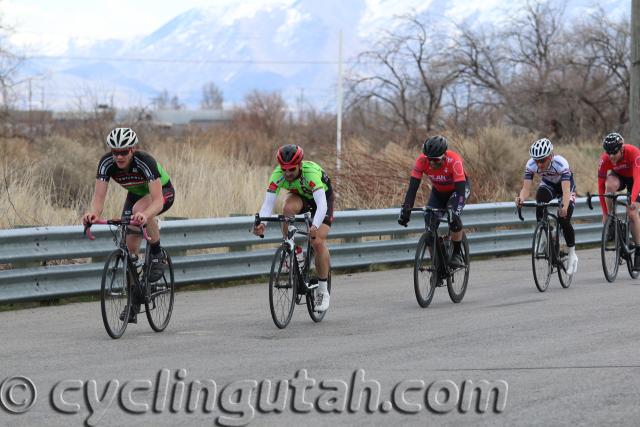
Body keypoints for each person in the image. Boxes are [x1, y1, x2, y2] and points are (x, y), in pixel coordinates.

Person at [82, 127, 175, 323]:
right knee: (129, 251)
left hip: (162, 192)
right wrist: (93, 214)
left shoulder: (145, 161)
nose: (119, 157)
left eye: (124, 152)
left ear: (133, 149)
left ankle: (157, 254)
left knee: (139, 212)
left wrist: (146, 214)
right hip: (136, 194)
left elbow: (157, 201)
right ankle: (134, 301)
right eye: (115, 152)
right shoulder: (106, 163)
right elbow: (99, 197)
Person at [253, 145, 334, 312]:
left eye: (291, 169)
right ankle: (292, 249)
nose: (287, 173)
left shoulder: (310, 174)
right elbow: (268, 204)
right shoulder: (277, 175)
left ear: (299, 165)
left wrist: (315, 225)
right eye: (284, 169)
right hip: (300, 196)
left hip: (322, 199)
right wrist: (262, 223)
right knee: (287, 209)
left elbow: (322, 205)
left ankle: (322, 290)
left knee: (317, 241)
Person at [398, 135, 470, 268]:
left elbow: (460, 192)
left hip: (458, 190)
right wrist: (406, 210)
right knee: (429, 221)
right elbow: (412, 189)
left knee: (453, 217)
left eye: (435, 160)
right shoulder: (421, 161)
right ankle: (436, 263)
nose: (431, 163)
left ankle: (456, 253)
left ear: (444, 156)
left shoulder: (454, 161)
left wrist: (455, 212)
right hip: (438, 192)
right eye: (429, 159)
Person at [515, 138, 578, 275]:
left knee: (564, 218)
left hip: (565, 188)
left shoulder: (561, 163)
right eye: (536, 160)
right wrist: (521, 198)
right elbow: (525, 189)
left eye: (542, 160)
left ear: (550, 156)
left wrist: (565, 208)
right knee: (540, 197)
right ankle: (544, 233)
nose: (539, 164)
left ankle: (572, 254)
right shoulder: (531, 164)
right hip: (549, 185)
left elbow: (566, 191)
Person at [597, 132, 640, 267]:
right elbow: (600, 186)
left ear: (622, 149)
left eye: (614, 153)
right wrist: (605, 214)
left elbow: (638, 178)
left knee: (632, 213)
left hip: (636, 179)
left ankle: (639, 249)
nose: (611, 156)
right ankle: (612, 219)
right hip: (620, 177)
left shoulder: (634, 153)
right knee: (609, 186)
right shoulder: (605, 160)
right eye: (608, 153)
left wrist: (633, 201)